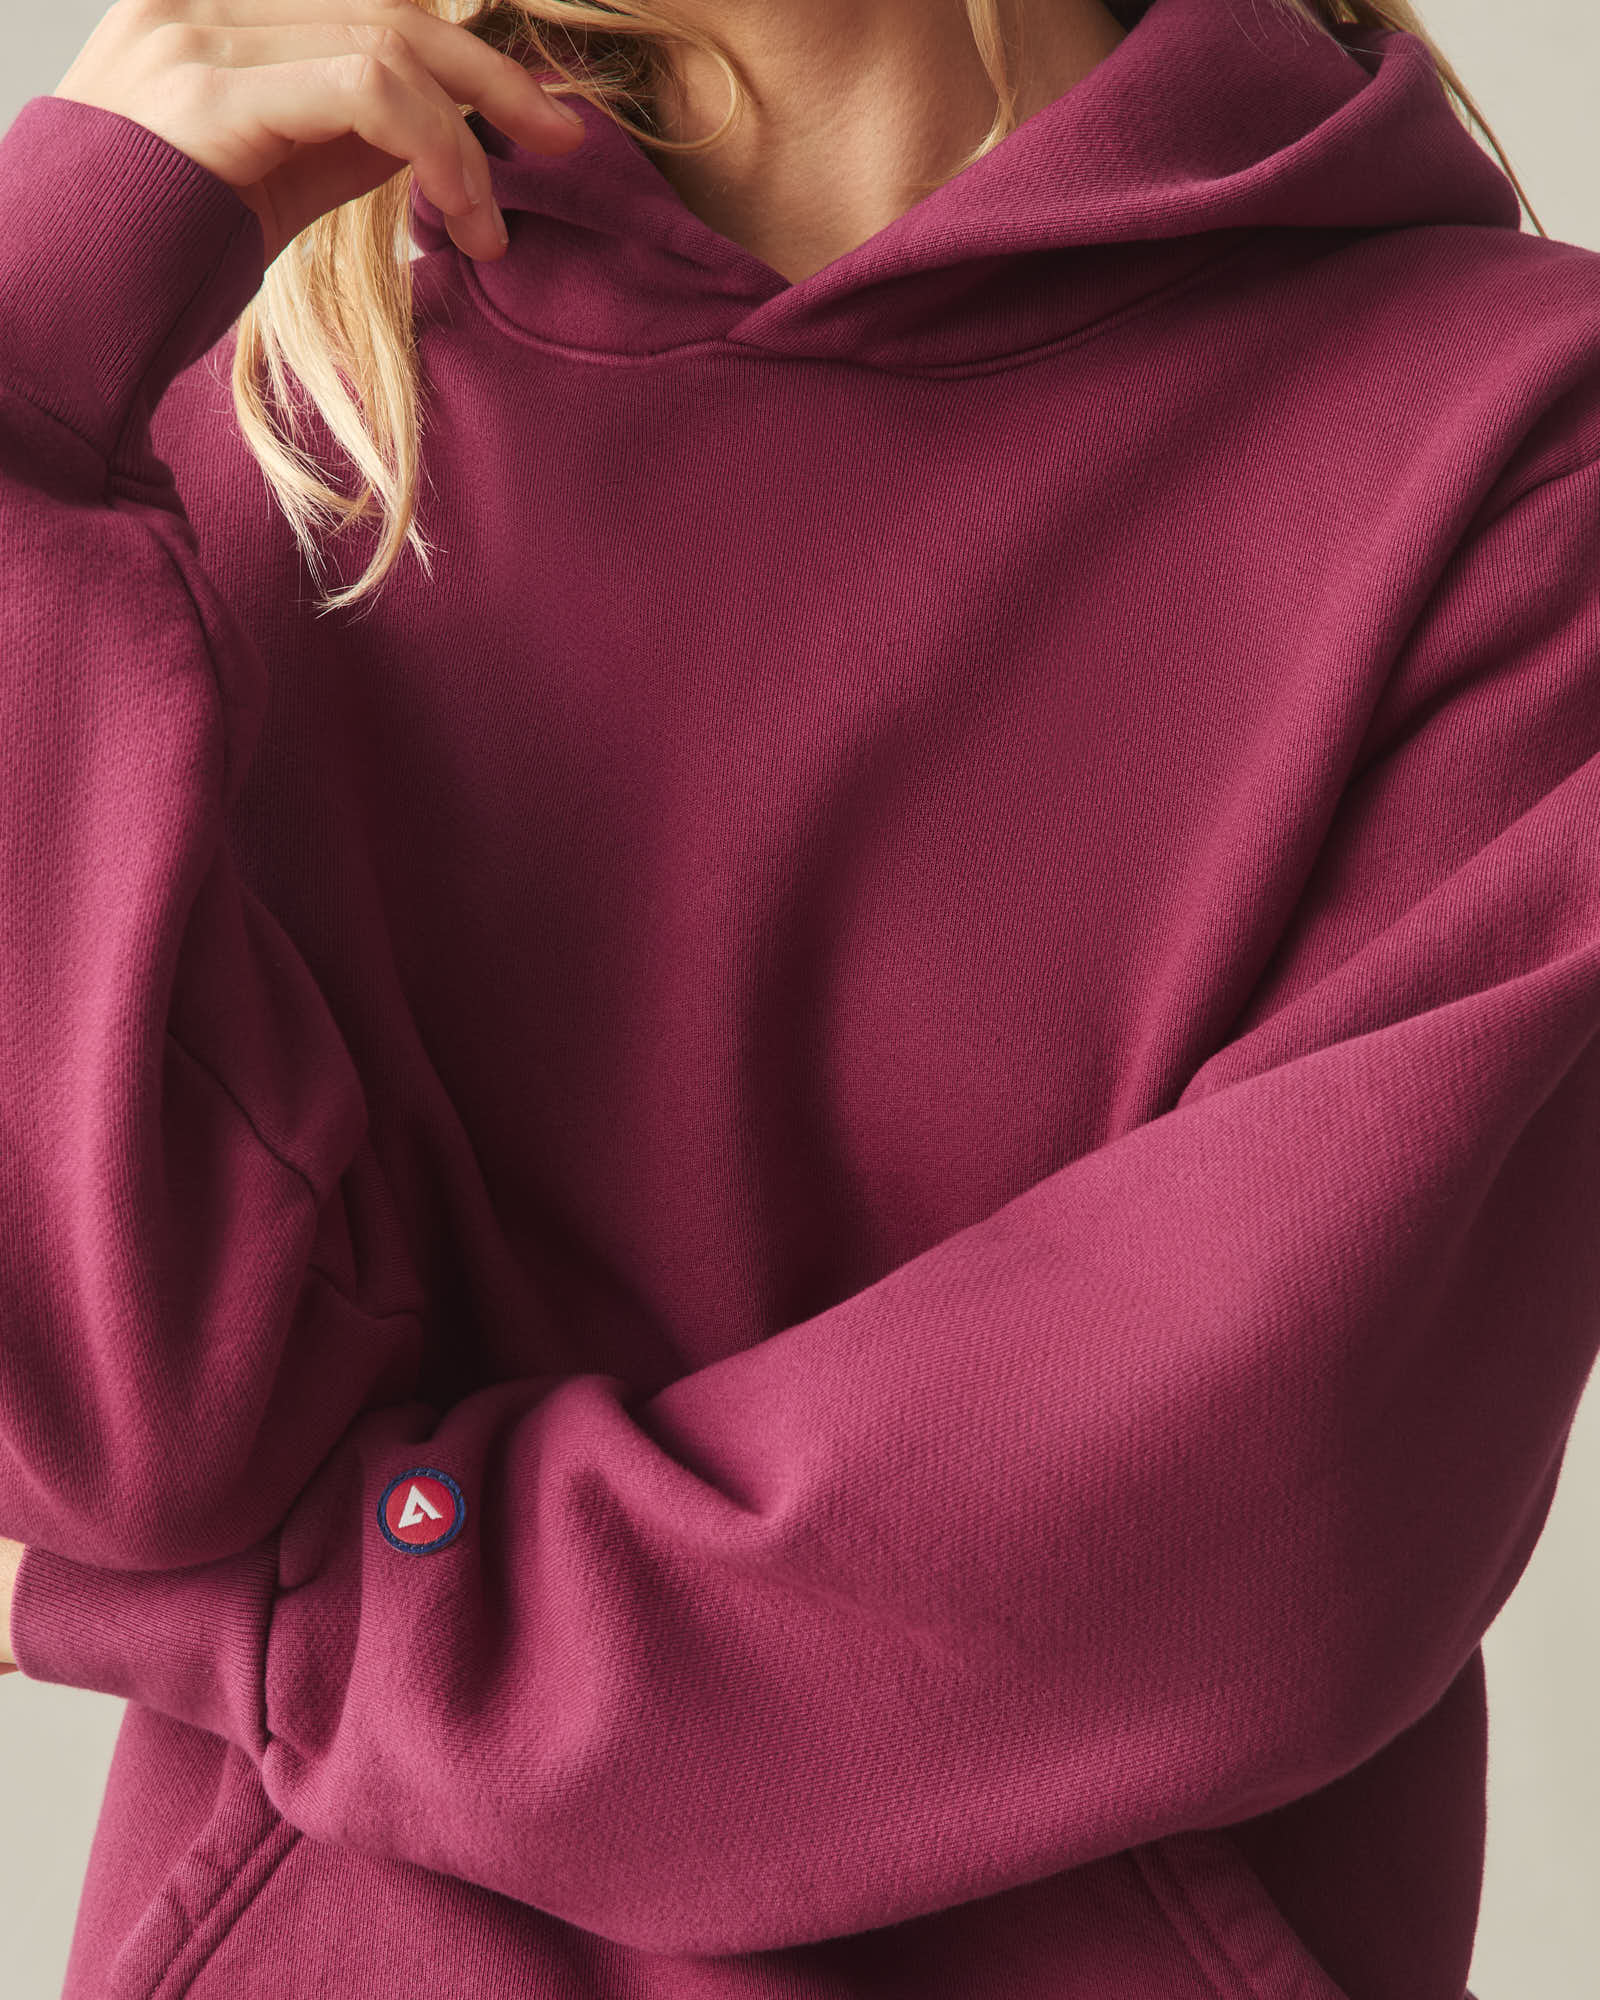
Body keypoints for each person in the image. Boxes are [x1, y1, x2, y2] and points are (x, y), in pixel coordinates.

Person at [0, 0, 1595, 1995]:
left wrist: (271, 1618)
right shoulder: (263, 422)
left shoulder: (1514, 449)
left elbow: (1248, 1512)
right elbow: (102, 1418)